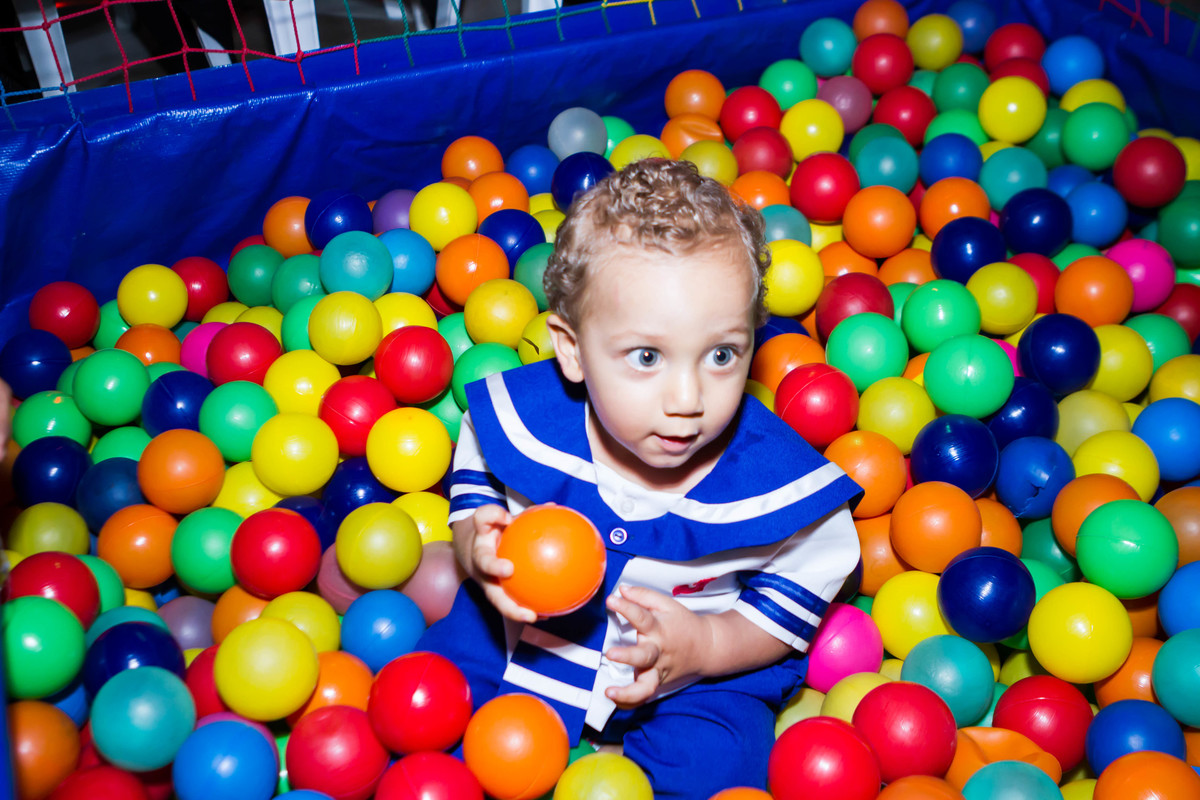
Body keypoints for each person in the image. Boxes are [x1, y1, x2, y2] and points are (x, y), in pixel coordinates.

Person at [418, 158, 862, 797]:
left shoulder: (779, 483)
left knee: (724, 763)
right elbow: (480, 485)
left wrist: (706, 644)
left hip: (694, 678)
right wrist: (476, 547)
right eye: (647, 357)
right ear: (571, 350)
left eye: (721, 354)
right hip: (521, 631)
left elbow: (795, 593)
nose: (687, 397)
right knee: (429, 695)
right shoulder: (530, 421)